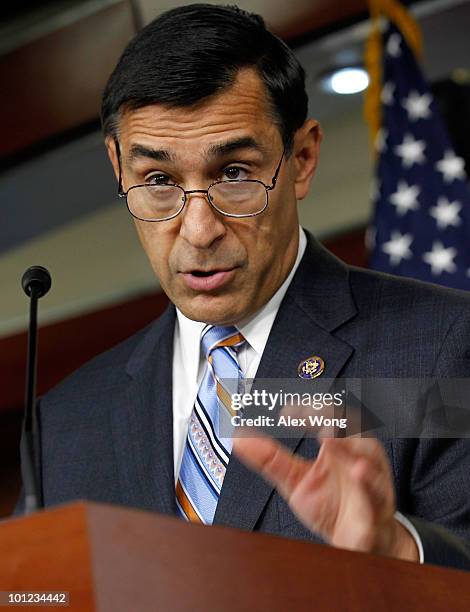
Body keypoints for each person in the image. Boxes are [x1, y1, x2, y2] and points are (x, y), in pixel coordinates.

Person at [15, 4, 470, 570]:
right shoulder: (66, 423)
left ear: (301, 158)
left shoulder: (440, 351)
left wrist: (400, 551)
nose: (199, 230)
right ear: (118, 168)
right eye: (157, 180)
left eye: (233, 173)